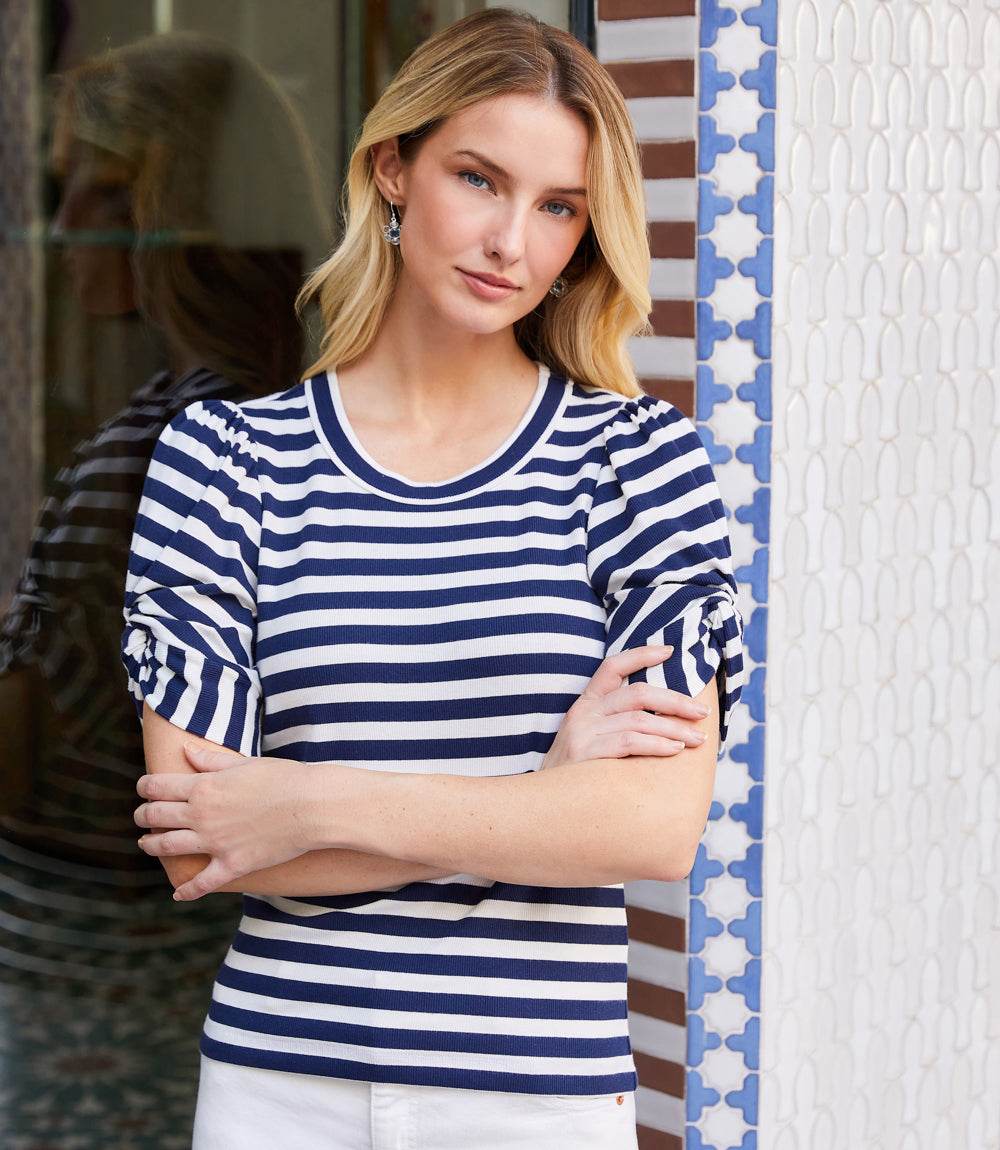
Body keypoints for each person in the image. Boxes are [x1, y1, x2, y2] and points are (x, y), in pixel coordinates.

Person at [121, 9, 747, 1148]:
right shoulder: (221, 463)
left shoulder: (638, 463)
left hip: (538, 1095)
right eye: (479, 177)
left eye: (558, 206)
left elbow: (654, 826)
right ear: (393, 169)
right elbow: (205, 838)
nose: (513, 239)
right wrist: (547, 790)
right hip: (278, 1087)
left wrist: (303, 803)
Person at [0, 30, 329, 1145]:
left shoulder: (163, 451)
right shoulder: (286, 427)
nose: (61, 226)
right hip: (178, 974)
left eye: (92, 189)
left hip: (83, 974)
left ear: (167, 204)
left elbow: (33, 751)